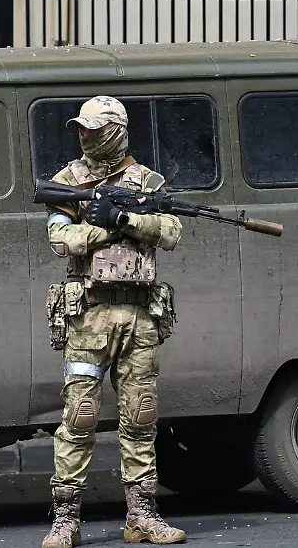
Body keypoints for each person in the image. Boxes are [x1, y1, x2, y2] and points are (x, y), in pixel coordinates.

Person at [41, 96, 186, 547]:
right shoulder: (69, 181)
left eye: (94, 129)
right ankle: (65, 521)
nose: (85, 136)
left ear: (116, 131)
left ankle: (142, 517)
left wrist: (126, 218)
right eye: (81, 129)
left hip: (140, 316)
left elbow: (171, 232)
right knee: (79, 417)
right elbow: (60, 240)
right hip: (89, 317)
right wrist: (106, 227)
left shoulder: (147, 182)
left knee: (141, 417)